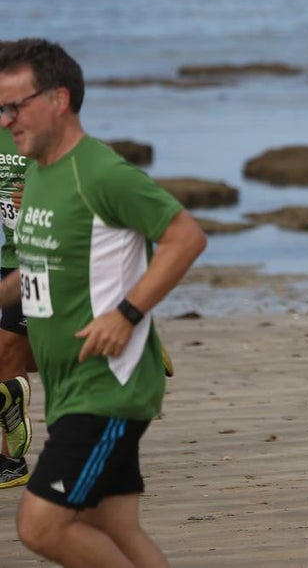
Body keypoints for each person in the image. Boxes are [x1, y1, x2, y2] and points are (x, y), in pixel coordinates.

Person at [0, 38, 207, 567]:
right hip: (70, 384)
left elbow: (185, 238)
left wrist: (126, 313)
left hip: (107, 385)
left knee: (40, 526)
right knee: (113, 528)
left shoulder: (101, 173)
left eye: (14, 106)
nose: (5, 120)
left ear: (59, 99)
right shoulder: (40, 173)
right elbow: (37, 269)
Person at [0, 123, 34, 489]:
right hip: (11, 256)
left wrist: (42, 196)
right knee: (22, 354)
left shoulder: (37, 128)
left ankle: (11, 460)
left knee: (7, 350)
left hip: (48, 255)